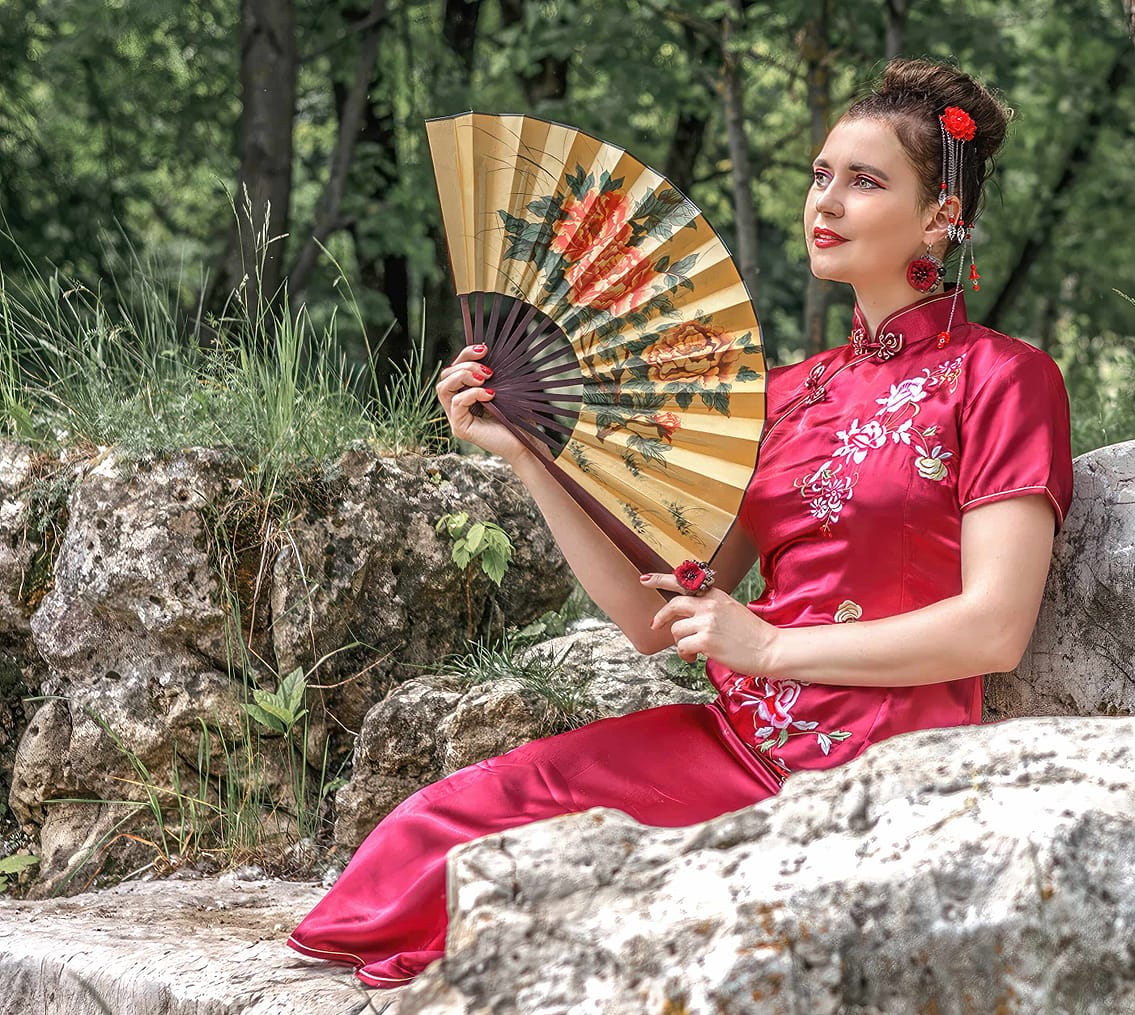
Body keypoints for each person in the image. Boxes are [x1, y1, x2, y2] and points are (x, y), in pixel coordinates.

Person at [286, 56, 1074, 989]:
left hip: (880, 772)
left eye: (865, 181)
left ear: (942, 215)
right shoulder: (789, 392)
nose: (826, 201)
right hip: (735, 740)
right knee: (452, 828)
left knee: (548, 907)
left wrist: (769, 646)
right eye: (820, 174)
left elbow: (994, 626)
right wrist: (529, 457)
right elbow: (655, 620)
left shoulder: (1005, 379)